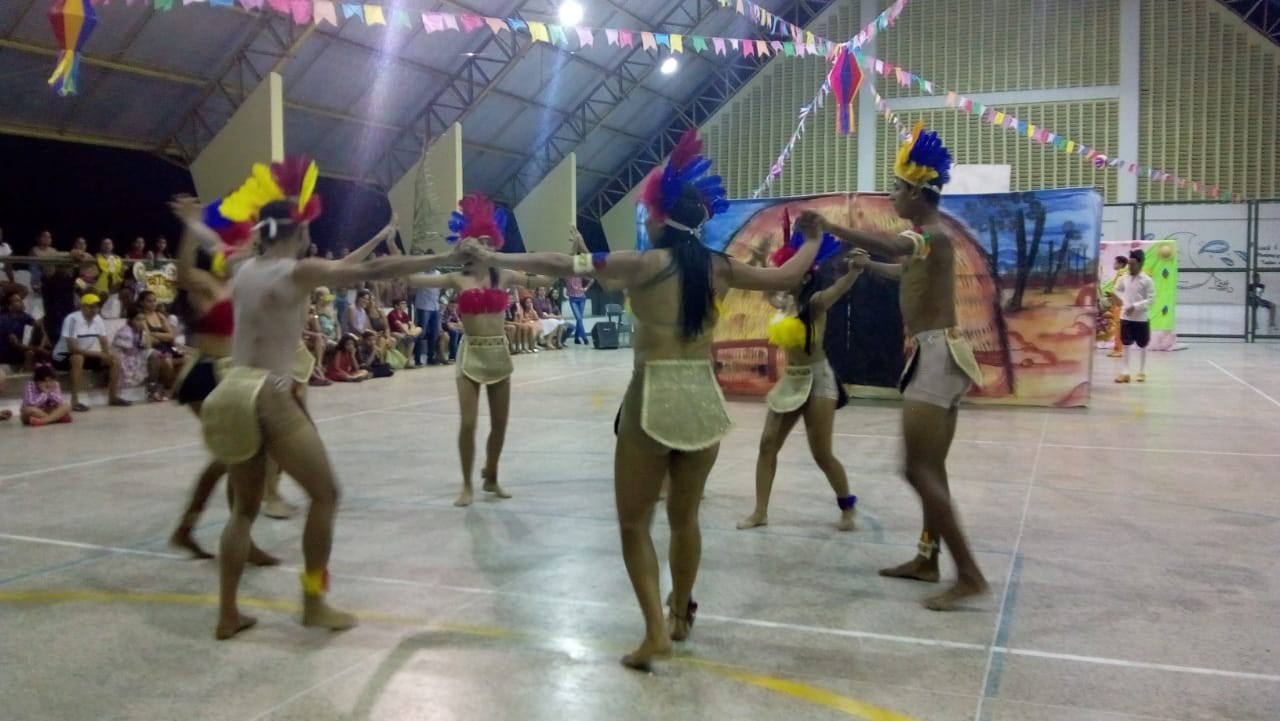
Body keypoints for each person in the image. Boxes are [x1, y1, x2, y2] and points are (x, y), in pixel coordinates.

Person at [458, 129, 823, 669]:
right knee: (685, 520)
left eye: (649, 212)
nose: (646, 218)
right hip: (703, 402)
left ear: (660, 218)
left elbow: (560, 264)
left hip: (651, 399)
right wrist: (812, 238)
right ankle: (681, 613)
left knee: (634, 525)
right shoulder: (720, 267)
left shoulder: (641, 263)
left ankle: (655, 630)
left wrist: (494, 253)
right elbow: (787, 275)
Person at [186, 157, 454, 639]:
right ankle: (313, 601)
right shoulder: (295, 270)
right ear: (296, 231)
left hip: (230, 387)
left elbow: (217, 243)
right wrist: (440, 260)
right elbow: (376, 268)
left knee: (242, 511)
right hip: (269, 393)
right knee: (326, 494)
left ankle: (227, 613)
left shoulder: (244, 268)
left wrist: (194, 223)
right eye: (307, 228)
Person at [815, 121, 987, 611]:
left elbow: (896, 248)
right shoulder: (927, 241)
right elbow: (902, 268)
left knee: (916, 469)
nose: (891, 196)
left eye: (895, 187)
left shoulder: (930, 235)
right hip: (939, 356)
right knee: (931, 468)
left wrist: (830, 226)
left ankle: (969, 574)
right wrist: (867, 266)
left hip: (937, 359)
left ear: (915, 191)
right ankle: (928, 558)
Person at [396, 194, 559, 507]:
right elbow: (410, 278)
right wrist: (394, 246)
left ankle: (491, 476)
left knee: (500, 425)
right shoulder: (457, 278)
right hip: (470, 353)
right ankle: (467, 484)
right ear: (468, 244)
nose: (484, 246)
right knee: (468, 424)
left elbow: (548, 278)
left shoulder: (504, 275)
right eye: (478, 241)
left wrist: (571, 252)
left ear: (495, 243)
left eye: (489, 241)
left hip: (499, 353)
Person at [738, 214, 864, 532]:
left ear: (805, 276)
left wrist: (855, 270)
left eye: (790, 271)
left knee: (821, 453)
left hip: (819, 379)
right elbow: (766, 284)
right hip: (791, 380)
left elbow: (841, 287)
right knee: (767, 444)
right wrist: (759, 258)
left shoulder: (817, 302)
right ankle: (760, 511)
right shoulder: (783, 302)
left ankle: (847, 505)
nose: (783, 276)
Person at [51, 293, 130, 411]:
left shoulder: (98, 320)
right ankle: (75, 400)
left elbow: (103, 341)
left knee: (115, 359)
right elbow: (73, 348)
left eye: (96, 307)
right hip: (61, 357)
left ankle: (113, 397)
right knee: (77, 358)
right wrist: (99, 354)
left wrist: (107, 354)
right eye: (90, 307)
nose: (93, 310)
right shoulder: (72, 319)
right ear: (82, 307)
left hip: (84, 354)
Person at [1114, 249, 1154, 383]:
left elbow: (1151, 300)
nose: (1129, 267)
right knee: (1126, 343)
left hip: (1141, 318)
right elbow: (1117, 289)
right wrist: (1123, 301)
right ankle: (1125, 372)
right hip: (1125, 317)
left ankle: (1142, 372)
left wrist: (1135, 306)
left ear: (1140, 264)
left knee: (1143, 344)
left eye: (1133, 264)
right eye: (1129, 264)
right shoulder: (1124, 278)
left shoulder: (1147, 280)